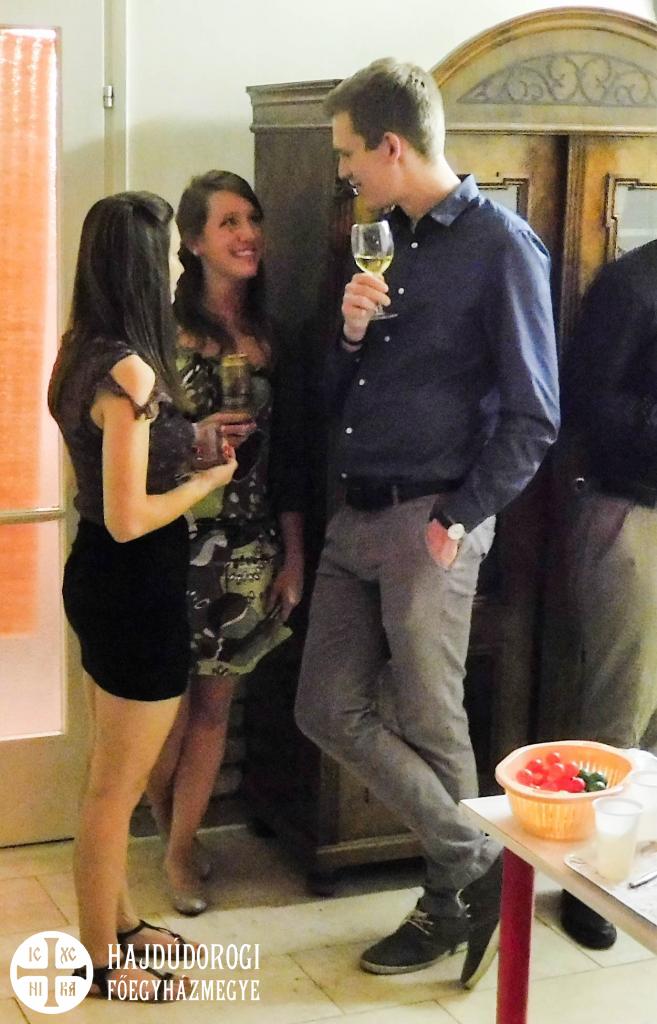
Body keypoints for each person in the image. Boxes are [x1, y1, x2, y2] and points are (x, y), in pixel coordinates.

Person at [294, 58, 560, 989]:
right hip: (354, 512)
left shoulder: (503, 247)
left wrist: (457, 519)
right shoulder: (380, 242)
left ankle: (450, 896)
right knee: (323, 705)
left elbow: (534, 414)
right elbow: (337, 395)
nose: (343, 173)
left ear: (391, 147)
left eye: (347, 155)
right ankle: (482, 863)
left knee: (429, 713)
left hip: (431, 519)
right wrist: (348, 335)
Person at [48, 191, 238, 1001]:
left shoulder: (80, 350)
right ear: (139, 266)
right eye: (164, 256)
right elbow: (129, 518)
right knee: (113, 793)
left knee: (109, 775)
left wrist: (185, 445)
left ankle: (122, 925)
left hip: (101, 576)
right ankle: (101, 962)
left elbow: (110, 477)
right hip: (133, 584)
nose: (174, 269)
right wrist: (204, 482)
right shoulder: (128, 370)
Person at [146, 171, 305, 914]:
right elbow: (132, 446)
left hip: (247, 544)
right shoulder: (159, 331)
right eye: (229, 222)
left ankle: (181, 849)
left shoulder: (272, 337)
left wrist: (294, 555)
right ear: (193, 242)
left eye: (253, 219)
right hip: (168, 538)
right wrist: (194, 439)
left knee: (213, 706)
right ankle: (166, 824)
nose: (247, 235)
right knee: (162, 709)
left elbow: (292, 460)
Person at [555, 239, 657, 950]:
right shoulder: (630, 284)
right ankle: (588, 882)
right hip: (634, 515)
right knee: (619, 713)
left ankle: (637, 868)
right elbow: (588, 406)